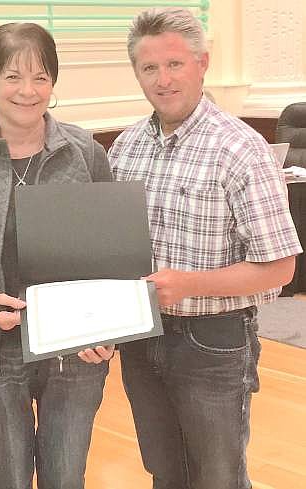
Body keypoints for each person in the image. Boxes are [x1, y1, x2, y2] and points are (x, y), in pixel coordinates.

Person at [107, 8, 303, 489]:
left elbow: (280, 267)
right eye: (149, 68)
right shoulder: (126, 147)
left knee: (218, 478)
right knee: (164, 472)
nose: (163, 79)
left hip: (213, 341)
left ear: (202, 63)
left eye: (175, 64)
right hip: (140, 336)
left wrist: (190, 284)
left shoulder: (241, 148)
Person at [0, 22, 114, 489]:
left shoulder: (86, 154)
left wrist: (108, 329)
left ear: (53, 83)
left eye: (41, 77)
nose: (28, 91)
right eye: (13, 76)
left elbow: (112, 257)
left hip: (74, 353)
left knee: (66, 477)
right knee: (7, 478)